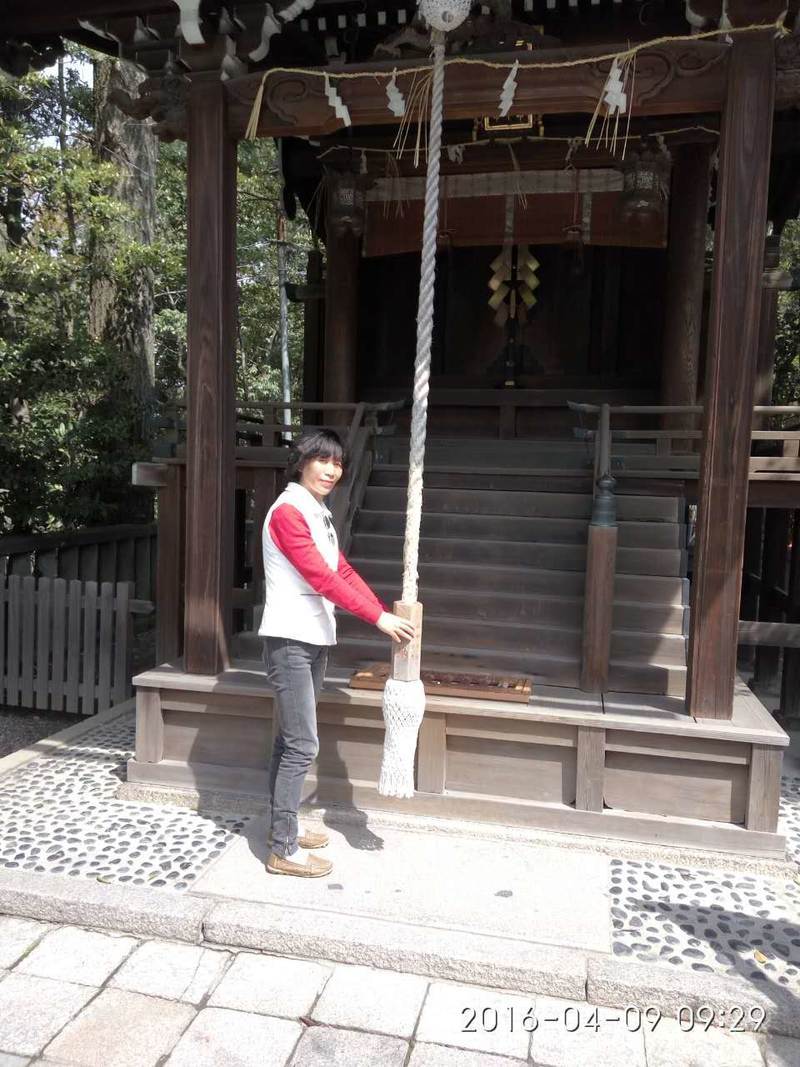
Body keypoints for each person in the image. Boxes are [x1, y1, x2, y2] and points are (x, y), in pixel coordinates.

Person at [259, 427, 416, 878]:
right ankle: (283, 849)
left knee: (290, 741)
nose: (332, 470)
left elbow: (341, 570)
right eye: (322, 460)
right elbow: (321, 578)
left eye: (338, 463)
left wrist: (381, 610)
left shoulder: (316, 511)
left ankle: (283, 828)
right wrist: (377, 618)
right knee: (302, 744)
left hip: (311, 637)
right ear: (301, 462)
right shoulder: (288, 511)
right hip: (290, 639)